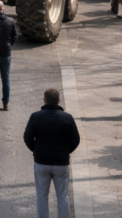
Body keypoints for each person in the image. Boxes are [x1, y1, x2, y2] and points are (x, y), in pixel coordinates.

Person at [23, 89, 80, 218]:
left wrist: (37, 151)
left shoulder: (35, 117)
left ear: (44, 100)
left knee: (42, 196)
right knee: (62, 196)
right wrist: (65, 151)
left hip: (41, 162)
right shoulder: (67, 118)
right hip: (61, 163)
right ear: (59, 101)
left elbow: (27, 138)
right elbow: (76, 140)